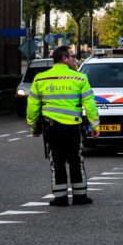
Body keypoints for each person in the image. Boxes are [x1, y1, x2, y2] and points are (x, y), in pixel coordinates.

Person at [26, 46, 100, 207]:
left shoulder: (41, 79)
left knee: (57, 162)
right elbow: (89, 104)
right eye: (72, 56)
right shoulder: (80, 78)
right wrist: (95, 125)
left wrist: (34, 126)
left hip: (51, 128)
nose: (75, 59)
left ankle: (60, 198)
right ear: (64, 59)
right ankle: (80, 197)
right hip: (73, 127)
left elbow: (32, 106)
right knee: (76, 160)